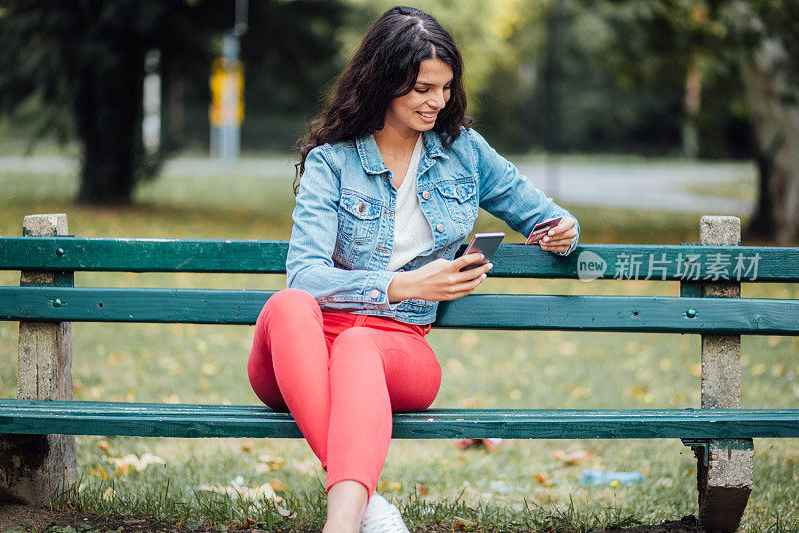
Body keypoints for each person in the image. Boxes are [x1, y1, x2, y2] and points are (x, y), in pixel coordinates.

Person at [247, 6, 579, 532]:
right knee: (288, 304)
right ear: (385, 82)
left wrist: (561, 229)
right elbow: (305, 278)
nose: (437, 102)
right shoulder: (332, 161)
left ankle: (342, 524)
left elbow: (545, 212)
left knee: (359, 347)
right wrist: (403, 284)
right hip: (300, 354)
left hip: (398, 347)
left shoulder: (463, 152)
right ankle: (366, 509)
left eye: (445, 88)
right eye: (423, 88)